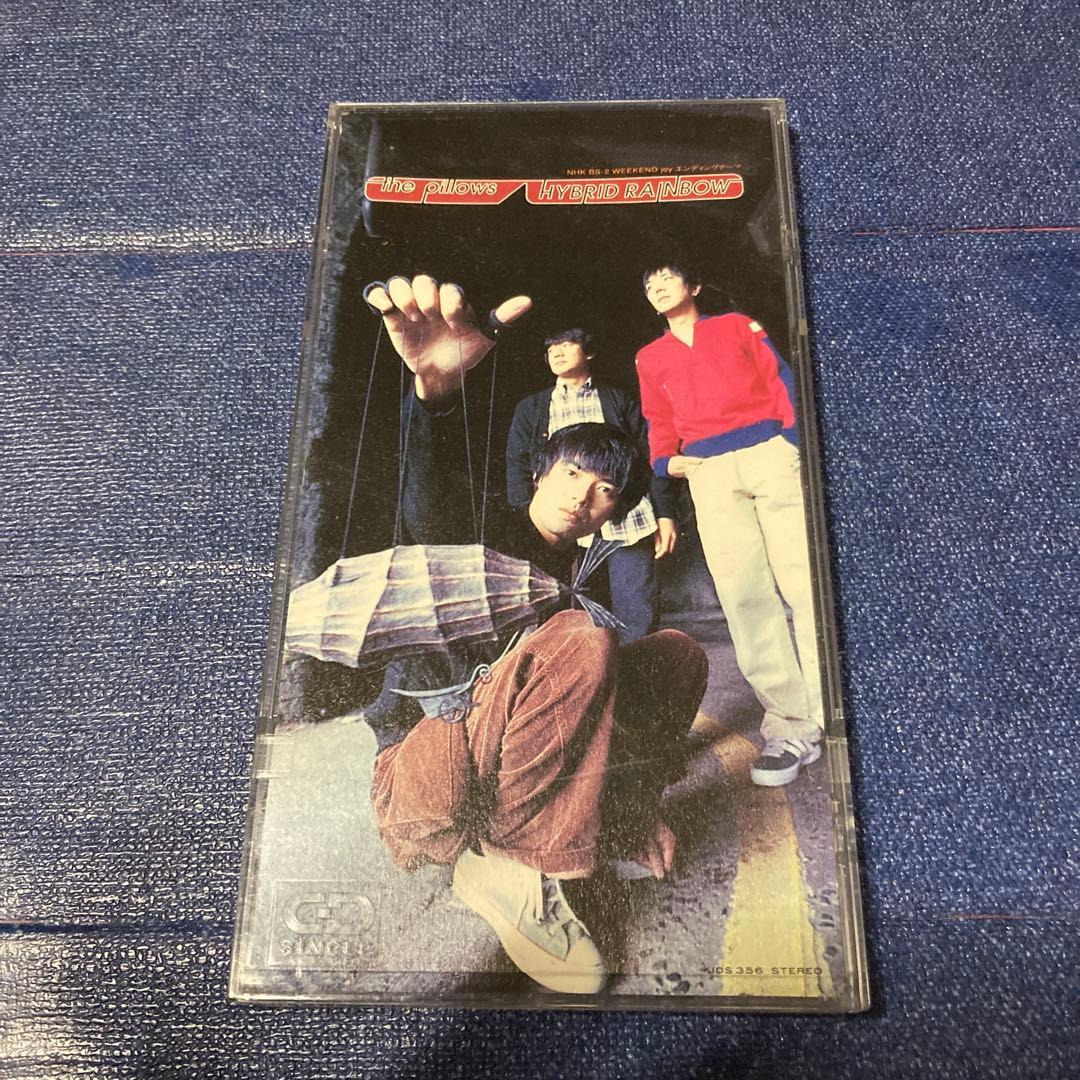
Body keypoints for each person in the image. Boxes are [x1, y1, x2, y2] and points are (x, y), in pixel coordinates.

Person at [360, 274, 709, 995]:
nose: (584, 495)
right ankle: (512, 864)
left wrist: (633, 802)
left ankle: (609, 824)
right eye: (574, 473)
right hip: (429, 770)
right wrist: (436, 396)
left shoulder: (576, 571)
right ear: (542, 471)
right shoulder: (481, 525)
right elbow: (429, 502)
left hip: (493, 760)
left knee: (673, 655)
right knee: (583, 640)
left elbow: (584, 700)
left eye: (605, 491)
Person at [634, 260, 824, 787]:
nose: (658, 287)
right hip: (710, 471)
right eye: (650, 284)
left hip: (770, 455)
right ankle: (792, 726)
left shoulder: (737, 325)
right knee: (744, 597)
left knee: (806, 583)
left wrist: (791, 442)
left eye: (667, 278)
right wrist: (667, 462)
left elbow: (781, 378)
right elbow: (657, 417)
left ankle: (834, 710)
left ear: (693, 285)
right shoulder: (650, 356)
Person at [506, 328, 679, 644]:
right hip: (566, 525)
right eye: (551, 347)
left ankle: (634, 671)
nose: (557, 352)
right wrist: (524, 526)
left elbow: (648, 457)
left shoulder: (617, 399)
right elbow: (518, 465)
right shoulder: (531, 408)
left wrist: (665, 512)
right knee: (582, 614)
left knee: (636, 607)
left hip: (624, 520)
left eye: (566, 343)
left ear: (588, 352)